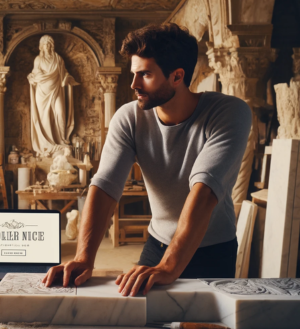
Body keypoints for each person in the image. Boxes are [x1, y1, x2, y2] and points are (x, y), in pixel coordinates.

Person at [43, 23, 251, 296]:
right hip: (157, 244)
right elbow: (104, 186)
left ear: (177, 76)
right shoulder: (129, 117)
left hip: (212, 251)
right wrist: (83, 258)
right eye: (134, 73)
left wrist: (170, 267)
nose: (134, 84)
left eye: (145, 75)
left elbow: (204, 192)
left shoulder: (229, 113)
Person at [28, 35, 78, 157]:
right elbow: (35, 73)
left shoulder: (58, 59)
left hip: (56, 90)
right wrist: (32, 77)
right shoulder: (38, 60)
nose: (48, 46)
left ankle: (61, 140)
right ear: (41, 46)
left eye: (50, 43)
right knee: (44, 118)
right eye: (46, 44)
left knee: (60, 113)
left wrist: (67, 78)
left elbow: (64, 73)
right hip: (42, 93)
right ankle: (46, 144)